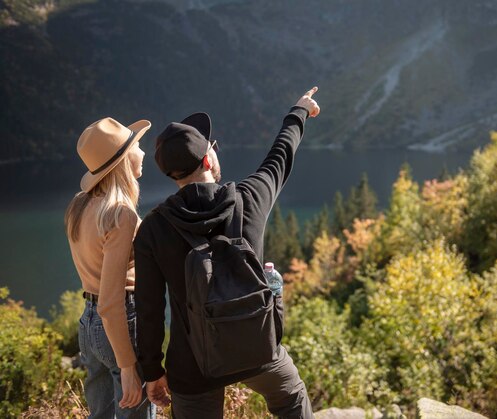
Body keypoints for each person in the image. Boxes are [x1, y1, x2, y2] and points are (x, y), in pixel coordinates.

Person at [133, 87, 321, 418]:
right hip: (258, 347)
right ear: (209, 159)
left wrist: (151, 370)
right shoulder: (249, 198)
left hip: (193, 366)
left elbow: (148, 308)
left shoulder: (153, 228)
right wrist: (299, 111)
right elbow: (280, 156)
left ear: (171, 174)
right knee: (291, 397)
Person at [65, 117, 156, 418]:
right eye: (138, 146)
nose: (143, 152)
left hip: (87, 326)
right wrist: (128, 365)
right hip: (119, 326)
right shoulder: (120, 214)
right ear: (123, 160)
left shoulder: (80, 205)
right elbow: (111, 301)